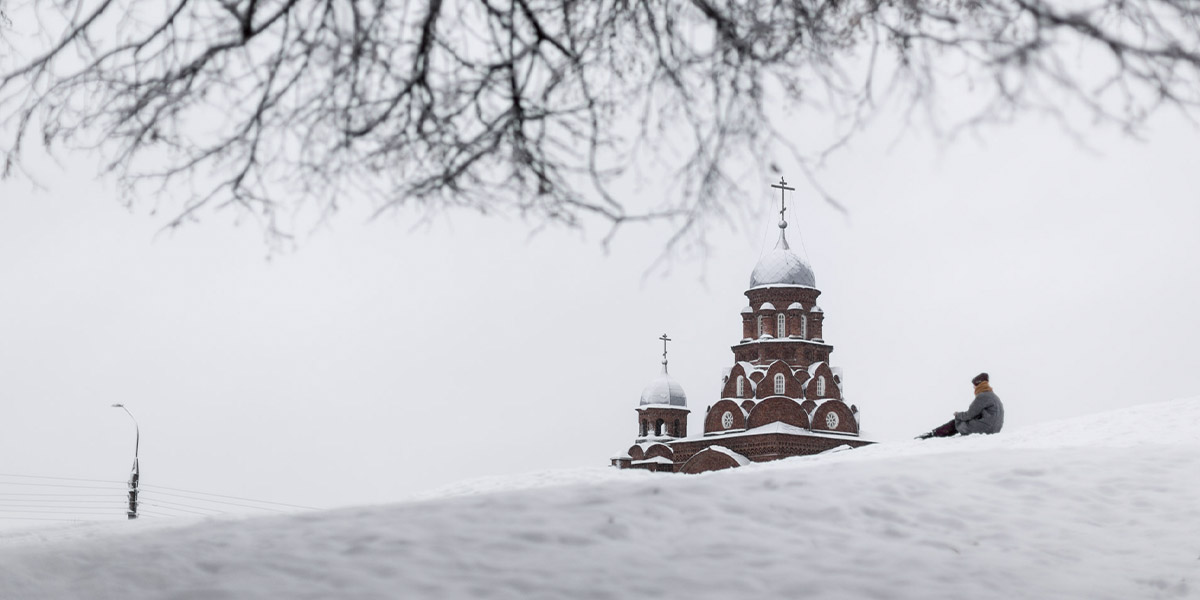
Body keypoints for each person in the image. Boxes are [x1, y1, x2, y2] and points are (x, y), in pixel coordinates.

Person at [918, 372, 1005, 439]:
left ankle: (933, 434)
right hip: (994, 429)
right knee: (963, 421)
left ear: (979, 385)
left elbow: (969, 414)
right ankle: (934, 433)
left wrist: (957, 415)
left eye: (974, 386)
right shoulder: (993, 396)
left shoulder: (983, 396)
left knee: (957, 422)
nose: (973, 388)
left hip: (985, 429)